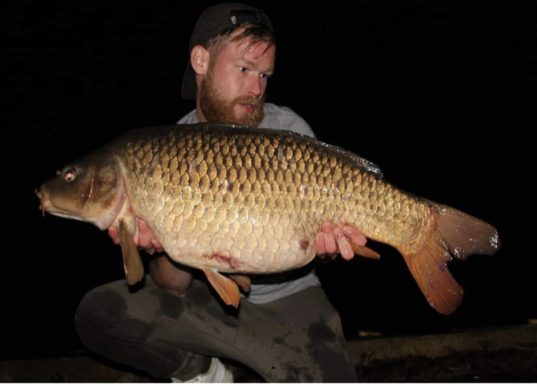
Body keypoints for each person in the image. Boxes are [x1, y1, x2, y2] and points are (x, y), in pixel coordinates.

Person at [75, 3, 367, 382]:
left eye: (265, 75)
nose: (256, 89)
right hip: (209, 303)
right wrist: (160, 244)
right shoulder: (166, 148)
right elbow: (171, 284)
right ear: (200, 60)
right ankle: (207, 374)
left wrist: (327, 247)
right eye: (244, 69)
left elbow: (311, 241)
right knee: (101, 313)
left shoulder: (286, 129)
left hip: (290, 302)